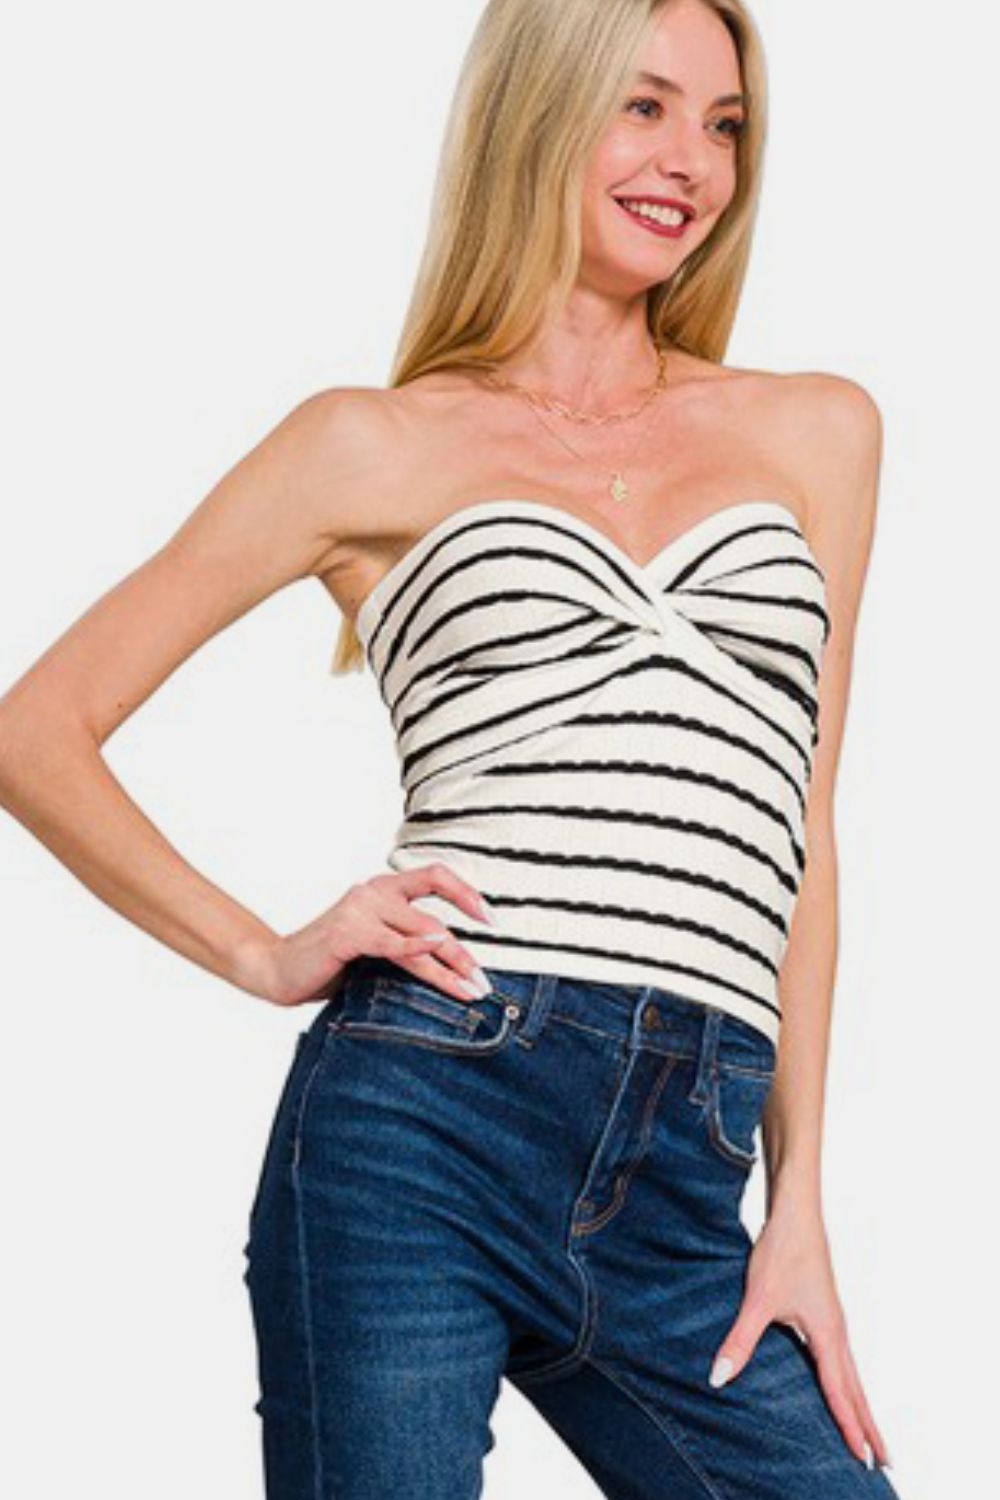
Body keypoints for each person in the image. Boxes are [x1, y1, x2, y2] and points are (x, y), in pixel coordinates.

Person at [0, 0, 900, 1495]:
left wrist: (799, 1198)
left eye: (724, 123)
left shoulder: (818, 432)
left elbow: (805, 824)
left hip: (689, 1170)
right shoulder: (370, 444)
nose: (691, 160)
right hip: (426, 1116)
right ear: (537, 110)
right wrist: (261, 951)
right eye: (643, 106)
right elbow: (38, 729)